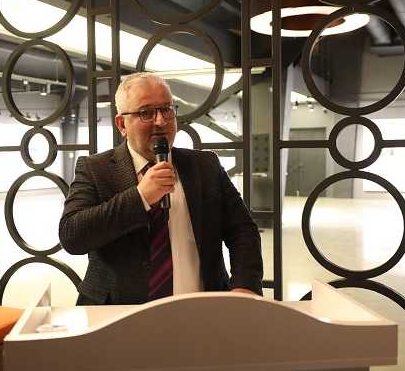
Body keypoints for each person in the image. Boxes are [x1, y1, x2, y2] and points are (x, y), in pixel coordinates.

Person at [59, 72, 263, 305]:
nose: (160, 121)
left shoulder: (205, 166)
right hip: (119, 312)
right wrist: (140, 197)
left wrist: (245, 284)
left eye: (166, 109)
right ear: (122, 124)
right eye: (146, 112)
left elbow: (242, 229)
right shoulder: (96, 168)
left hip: (201, 308)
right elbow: (72, 235)